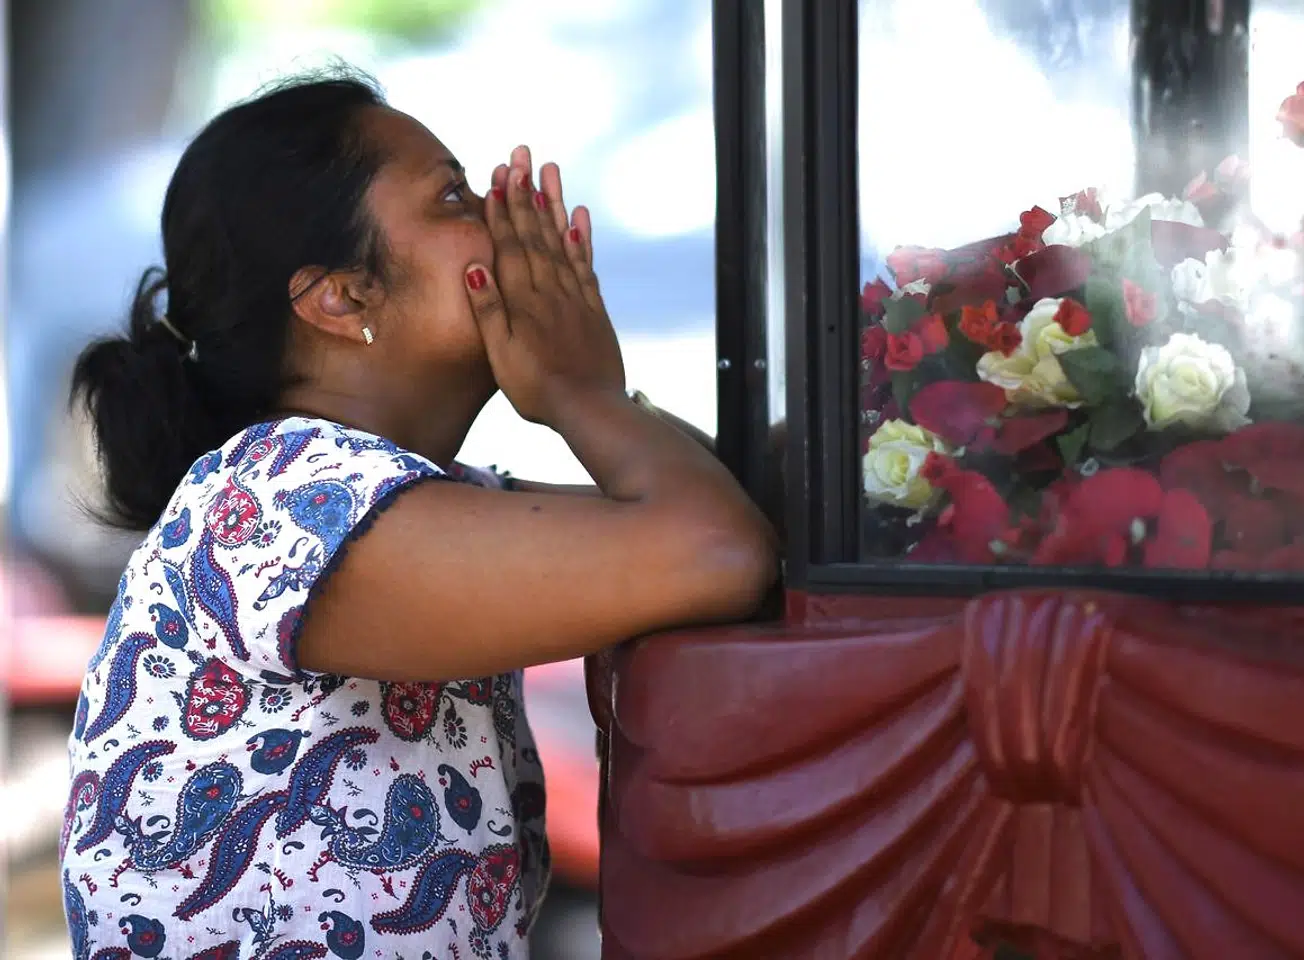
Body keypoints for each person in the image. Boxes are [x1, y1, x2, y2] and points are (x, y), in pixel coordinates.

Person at [59, 71, 777, 960]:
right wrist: (578, 391)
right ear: (341, 298)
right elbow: (717, 553)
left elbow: (720, 511)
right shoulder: (280, 498)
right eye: (453, 198)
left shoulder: (422, 498)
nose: (504, 222)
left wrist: (592, 391)